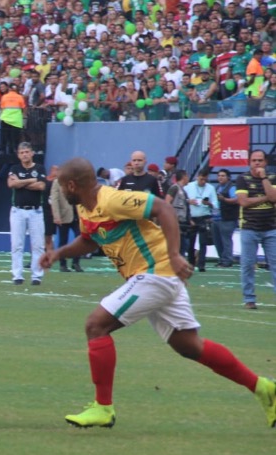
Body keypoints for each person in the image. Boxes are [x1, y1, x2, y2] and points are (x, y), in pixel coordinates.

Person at [38, 157, 275, 429]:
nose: (59, 192)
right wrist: (58, 253)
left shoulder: (112, 200)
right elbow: (89, 240)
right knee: (188, 345)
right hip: (157, 277)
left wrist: (175, 254)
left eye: (60, 187)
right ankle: (263, 388)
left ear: (71, 185)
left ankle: (103, 408)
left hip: (154, 273)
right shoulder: (86, 210)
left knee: (96, 325)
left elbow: (163, 208)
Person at [235, 150, 276, 310]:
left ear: (265, 162)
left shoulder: (272, 178)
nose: (257, 163)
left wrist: (264, 178)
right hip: (249, 227)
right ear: (249, 162)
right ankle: (249, 298)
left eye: (260, 160)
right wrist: (266, 197)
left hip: (271, 227)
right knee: (247, 264)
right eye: (254, 160)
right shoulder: (242, 179)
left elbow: (273, 198)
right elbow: (243, 202)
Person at [8, 142, 46, 285]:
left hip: (35, 211)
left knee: (37, 245)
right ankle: (17, 275)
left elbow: (41, 185)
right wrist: (31, 180)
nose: (24, 154)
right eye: (22, 152)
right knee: (17, 244)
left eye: (27, 152)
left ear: (32, 153)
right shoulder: (14, 168)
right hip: (18, 210)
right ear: (18, 155)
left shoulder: (40, 168)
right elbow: (11, 184)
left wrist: (21, 182)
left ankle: (36, 275)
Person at [48, 166, 82, 272]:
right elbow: (54, 200)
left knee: (81, 238)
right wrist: (56, 216)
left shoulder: (76, 182)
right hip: (63, 216)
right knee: (63, 241)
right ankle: (63, 265)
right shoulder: (57, 182)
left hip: (76, 215)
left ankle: (76, 263)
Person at [184, 170, 219, 272]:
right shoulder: (188, 187)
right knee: (191, 242)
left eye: (205, 179)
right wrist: (189, 201)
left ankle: (201, 264)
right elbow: (181, 199)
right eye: (201, 179)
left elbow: (216, 205)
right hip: (192, 217)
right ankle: (191, 263)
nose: (203, 181)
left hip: (205, 217)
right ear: (197, 177)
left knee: (203, 242)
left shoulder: (210, 188)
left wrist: (208, 203)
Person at [213, 169, 239, 268]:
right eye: (219, 175)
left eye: (223, 175)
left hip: (227, 218)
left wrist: (224, 199)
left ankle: (227, 260)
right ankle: (222, 259)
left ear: (228, 177)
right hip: (216, 218)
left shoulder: (232, 188)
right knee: (217, 240)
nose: (220, 177)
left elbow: (236, 199)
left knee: (226, 240)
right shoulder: (218, 187)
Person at [0, 82, 25, 154]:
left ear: (9, 89)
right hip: (16, 121)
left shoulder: (4, 96)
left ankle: (3, 152)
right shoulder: (20, 97)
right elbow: (23, 107)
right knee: (14, 140)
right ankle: (13, 152)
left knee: (4, 138)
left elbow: (2, 107)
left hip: (5, 119)